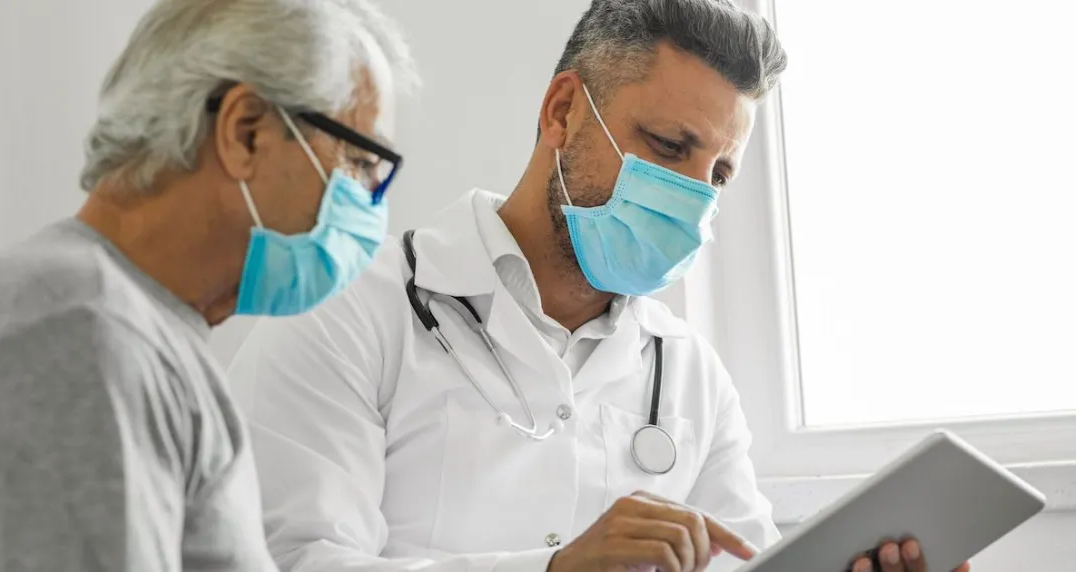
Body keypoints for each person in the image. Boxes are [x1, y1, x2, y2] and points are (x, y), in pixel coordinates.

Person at [228, 1, 967, 572]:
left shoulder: (690, 375)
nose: (693, 196)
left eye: (718, 174)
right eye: (669, 147)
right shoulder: (349, 309)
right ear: (562, 112)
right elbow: (295, 560)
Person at [0, 0, 415, 570]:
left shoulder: (135, 329)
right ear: (246, 132)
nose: (368, 203)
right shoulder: (85, 335)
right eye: (360, 163)